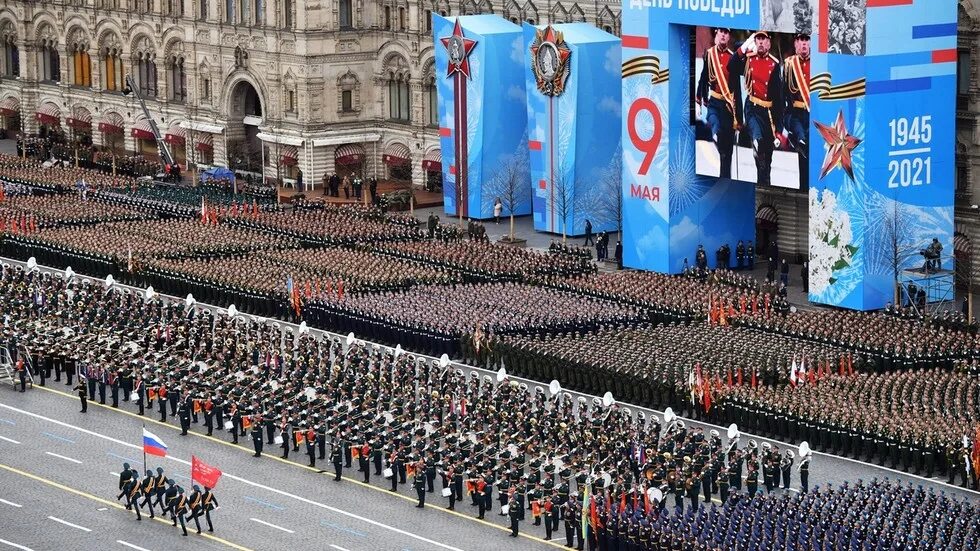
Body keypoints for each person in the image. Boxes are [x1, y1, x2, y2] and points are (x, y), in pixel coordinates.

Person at [730, 31, 783, 186]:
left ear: (769, 42)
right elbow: (731, 66)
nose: (760, 42)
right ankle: (756, 142)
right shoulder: (748, 58)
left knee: (766, 161)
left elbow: (779, 101)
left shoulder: (774, 64)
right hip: (752, 108)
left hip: (769, 113)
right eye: (758, 39)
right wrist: (745, 45)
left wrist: (779, 130)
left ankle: (764, 184)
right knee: (758, 140)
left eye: (763, 39)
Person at [696, 27, 737, 179]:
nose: (723, 35)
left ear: (728, 36)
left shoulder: (733, 58)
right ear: (716, 34)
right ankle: (715, 133)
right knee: (714, 121)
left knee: (727, 152)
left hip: (728, 107)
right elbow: (703, 78)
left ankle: (725, 179)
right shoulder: (709, 54)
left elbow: (736, 89)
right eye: (721, 32)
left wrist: (738, 116)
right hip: (714, 102)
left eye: (726, 33)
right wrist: (699, 101)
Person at [783, 32, 810, 188]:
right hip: (797, 116)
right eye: (800, 39)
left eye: (807, 39)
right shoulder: (789, 65)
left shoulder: (819, 63)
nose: (804, 43)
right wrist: (787, 124)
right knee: (803, 160)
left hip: (816, 118)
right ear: (795, 44)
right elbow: (783, 96)